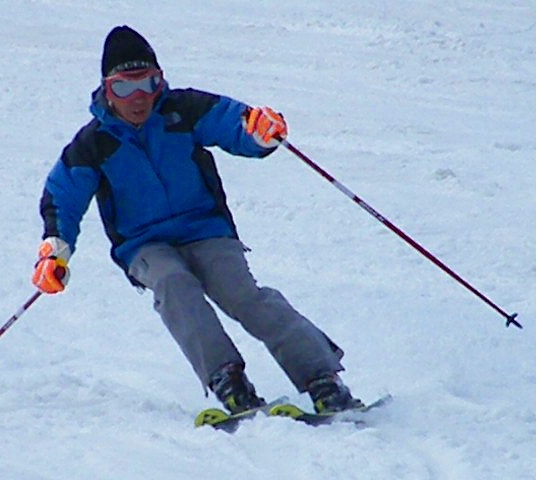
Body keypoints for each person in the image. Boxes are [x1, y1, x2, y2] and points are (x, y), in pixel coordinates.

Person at [32, 25, 362, 415]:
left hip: (206, 230)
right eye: (123, 87)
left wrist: (258, 130)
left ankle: (323, 378)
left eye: (148, 83)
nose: (138, 97)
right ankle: (228, 380)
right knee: (174, 283)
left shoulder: (182, 110)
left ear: (160, 81)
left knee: (243, 295)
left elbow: (233, 122)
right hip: (143, 245)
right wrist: (55, 251)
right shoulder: (93, 144)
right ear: (107, 89)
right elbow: (63, 196)